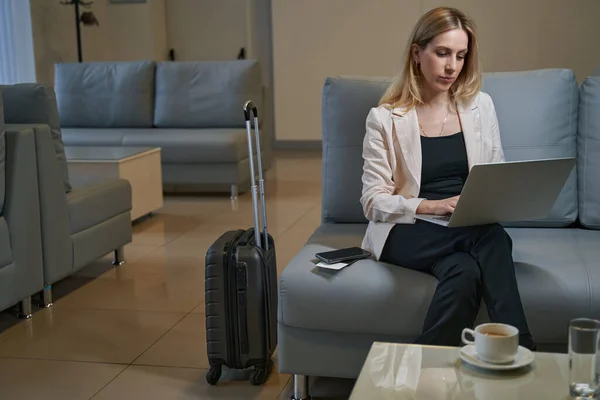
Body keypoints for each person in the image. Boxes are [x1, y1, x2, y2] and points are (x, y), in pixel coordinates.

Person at [359, 6, 536, 350]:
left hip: (464, 224)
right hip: (408, 228)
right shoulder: (384, 118)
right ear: (416, 53)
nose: (452, 66)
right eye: (441, 53)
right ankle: (522, 350)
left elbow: (496, 173)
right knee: (492, 239)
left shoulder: (481, 106)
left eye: (460, 55)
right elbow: (372, 200)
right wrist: (431, 205)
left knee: (464, 273)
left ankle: (420, 369)